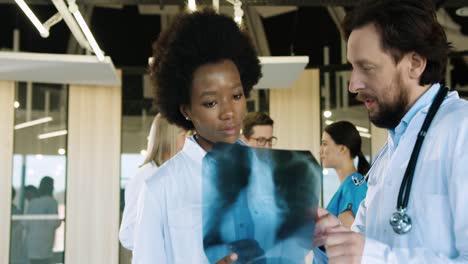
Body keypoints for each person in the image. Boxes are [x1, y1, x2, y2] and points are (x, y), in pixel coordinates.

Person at [314, 0, 468, 263]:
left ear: (415, 64)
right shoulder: (391, 149)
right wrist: (332, 237)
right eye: (352, 67)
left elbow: (373, 254)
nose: (353, 85)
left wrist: (371, 256)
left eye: (367, 68)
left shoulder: (461, 130)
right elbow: (367, 240)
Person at [132, 8, 262, 263]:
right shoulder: (160, 188)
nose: (228, 112)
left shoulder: (267, 173)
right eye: (211, 103)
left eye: (236, 96)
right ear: (186, 110)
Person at [119, 113, 186, 251]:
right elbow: (127, 235)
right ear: (171, 138)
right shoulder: (145, 176)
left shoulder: (177, 175)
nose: (188, 143)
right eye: (184, 136)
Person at [320, 121, 369, 228]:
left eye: (324, 144)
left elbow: (352, 237)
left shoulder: (355, 185)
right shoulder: (349, 185)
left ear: (342, 148)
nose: (320, 151)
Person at [25, 177, 60, 264]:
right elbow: (54, 223)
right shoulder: (51, 202)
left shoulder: (33, 202)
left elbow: (25, 223)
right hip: (45, 244)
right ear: (51, 187)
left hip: (32, 244)